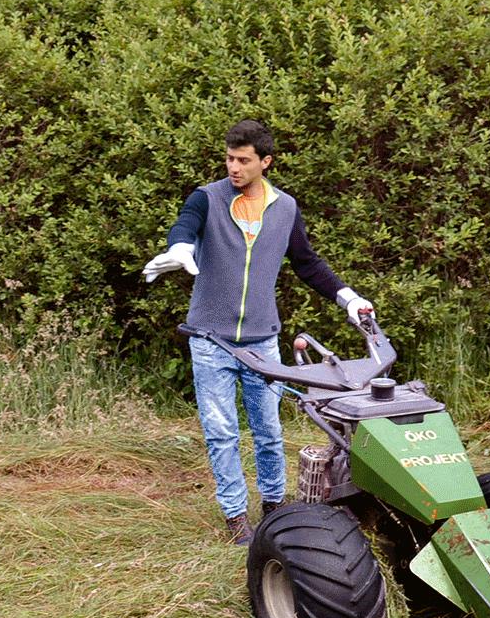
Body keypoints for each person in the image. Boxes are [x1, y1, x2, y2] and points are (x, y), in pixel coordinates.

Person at [143, 119, 373, 546]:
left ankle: (272, 505)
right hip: (211, 340)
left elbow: (306, 262)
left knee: (269, 430)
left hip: (262, 342)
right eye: (229, 158)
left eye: (244, 160)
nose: (234, 167)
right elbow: (185, 225)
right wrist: (179, 247)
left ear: (265, 162)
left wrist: (348, 298)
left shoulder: (284, 208)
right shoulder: (207, 199)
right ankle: (234, 517)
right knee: (222, 432)